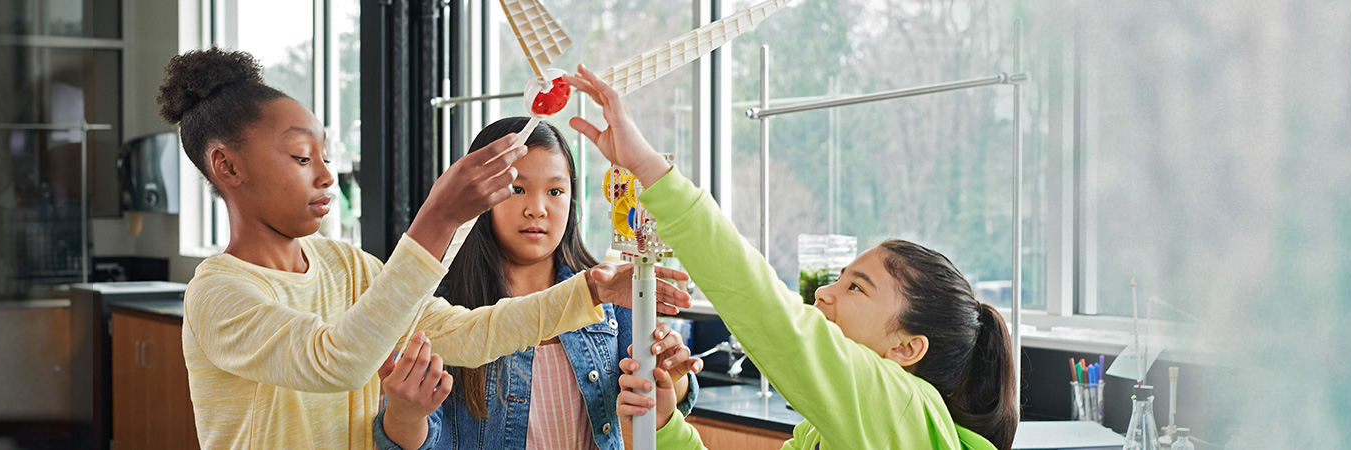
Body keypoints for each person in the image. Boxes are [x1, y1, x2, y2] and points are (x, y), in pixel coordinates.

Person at [158, 49, 691, 450]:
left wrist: (592, 287)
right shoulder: (220, 294)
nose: (326, 175)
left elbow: (465, 331)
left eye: (326, 153)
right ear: (228, 166)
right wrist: (439, 217)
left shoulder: (345, 266)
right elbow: (335, 361)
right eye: (301, 157)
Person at [562, 64, 1018, 450]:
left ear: (905, 348)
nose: (823, 291)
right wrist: (666, 427)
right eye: (839, 278)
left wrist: (648, 167)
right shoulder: (821, 433)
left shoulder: (900, 404)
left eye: (856, 286)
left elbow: (770, 313)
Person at [372, 117, 704, 450]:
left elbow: (659, 407)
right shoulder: (442, 312)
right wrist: (404, 414)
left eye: (555, 191)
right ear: (480, 196)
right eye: (517, 189)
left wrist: (668, 377)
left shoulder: (610, 292)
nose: (537, 209)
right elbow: (413, 438)